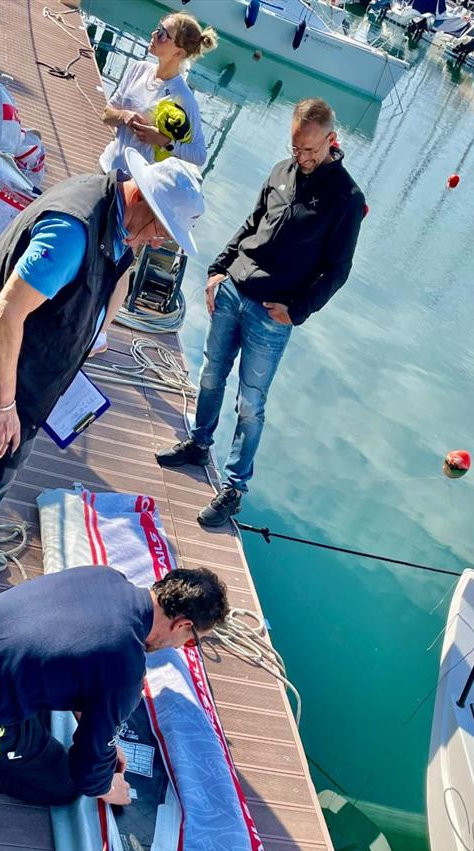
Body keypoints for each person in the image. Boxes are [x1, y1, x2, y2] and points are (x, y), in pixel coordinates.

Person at [0, 149, 204, 604]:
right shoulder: (71, 234)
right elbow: (6, 313)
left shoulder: (120, 220)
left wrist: (97, 331)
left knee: (1, 464)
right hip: (1, 355)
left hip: (39, 359)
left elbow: (121, 266)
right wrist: (3, 404)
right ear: (142, 199)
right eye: (162, 229)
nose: (160, 242)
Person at [156, 98, 366, 528]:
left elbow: (338, 270)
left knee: (251, 403)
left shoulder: (346, 198)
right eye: (296, 149)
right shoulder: (280, 171)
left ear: (331, 140)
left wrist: (298, 309)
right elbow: (250, 225)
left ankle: (233, 488)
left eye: (311, 150)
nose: (303, 158)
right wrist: (217, 269)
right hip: (233, 289)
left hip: (273, 314)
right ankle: (198, 444)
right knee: (211, 373)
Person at [0, 565, 229, 810]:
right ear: (183, 624)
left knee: (47, 719)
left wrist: (105, 740)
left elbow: (75, 655)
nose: (184, 646)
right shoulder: (125, 666)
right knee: (63, 784)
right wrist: (107, 785)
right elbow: (87, 774)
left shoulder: (106, 577)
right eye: (191, 640)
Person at [91, 11, 218, 355]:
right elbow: (107, 113)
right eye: (159, 29)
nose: (154, 34)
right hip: (109, 170)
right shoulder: (137, 69)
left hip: (138, 188)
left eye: (163, 33)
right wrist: (124, 117)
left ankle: (99, 334)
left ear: (178, 51)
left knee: (120, 262)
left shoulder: (182, 98)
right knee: (89, 241)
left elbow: (198, 154)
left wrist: (162, 140)